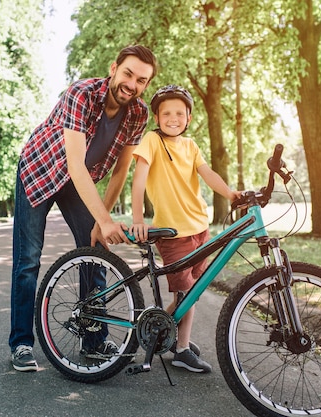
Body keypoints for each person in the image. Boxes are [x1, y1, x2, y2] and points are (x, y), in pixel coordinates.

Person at [10, 45, 158, 372]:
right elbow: (74, 163)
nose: (132, 84)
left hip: (80, 181)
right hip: (41, 169)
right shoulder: (82, 93)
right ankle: (20, 342)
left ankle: (92, 341)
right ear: (113, 68)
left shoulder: (138, 114)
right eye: (128, 74)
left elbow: (120, 170)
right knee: (28, 259)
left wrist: (100, 222)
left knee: (95, 250)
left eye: (141, 80)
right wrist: (105, 219)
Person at [130, 85, 241, 373]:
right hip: (173, 234)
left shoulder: (191, 146)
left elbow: (208, 175)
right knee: (186, 294)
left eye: (180, 113)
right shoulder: (152, 141)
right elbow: (139, 179)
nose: (173, 118)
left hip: (198, 229)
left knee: (190, 294)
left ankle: (160, 333)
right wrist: (138, 218)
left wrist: (230, 194)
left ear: (189, 117)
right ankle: (181, 349)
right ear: (157, 116)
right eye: (166, 113)